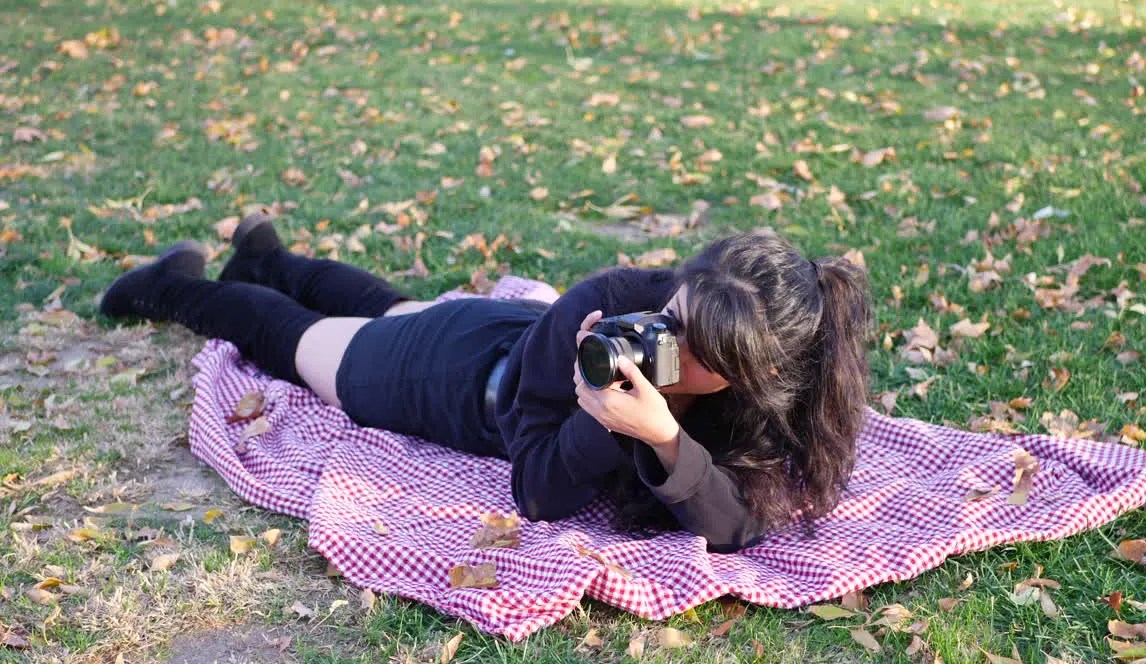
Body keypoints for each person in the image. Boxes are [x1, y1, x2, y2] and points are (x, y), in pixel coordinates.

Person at [99, 214, 874, 552]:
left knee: (391, 307)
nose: (664, 340)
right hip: (453, 378)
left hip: (491, 337)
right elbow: (537, 491)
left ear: (759, 368)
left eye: (694, 346)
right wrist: (603, 418)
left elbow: (738, 526)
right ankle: (167, 286)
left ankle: (272, 259)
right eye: (672, 313)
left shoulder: (780, 376)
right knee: (304, 341)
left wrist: (666, 437)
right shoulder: (611, 302)